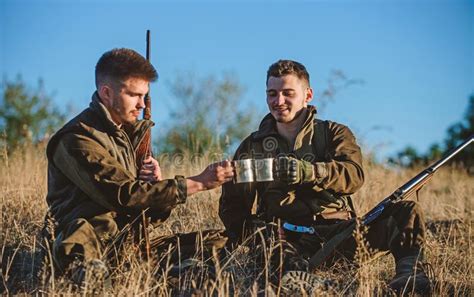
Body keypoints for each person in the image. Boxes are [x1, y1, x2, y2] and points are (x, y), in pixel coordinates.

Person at [219, 60, 431, 294]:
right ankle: (313, 286)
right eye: (272, 94)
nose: (278, 101)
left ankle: (410, 276)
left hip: (339, 234)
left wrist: (311, 172)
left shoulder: (333, 133)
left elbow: (353, 175)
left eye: (288, 93)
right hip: (284, 239)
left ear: (307, 94)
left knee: (406, 211)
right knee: (274, 252)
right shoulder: (253, 146)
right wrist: (257, 233)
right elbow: (233, 205)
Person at [44, 48, 233, 285]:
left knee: (221, 240)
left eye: (145, 96)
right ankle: (95, 277)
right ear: (106, 92)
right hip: (91, 242)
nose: (142, 104)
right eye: (134, 95)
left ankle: (171, 277)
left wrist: (153, 187)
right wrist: (197, 183)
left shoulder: (127, 136)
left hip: (130, 245)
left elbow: (145, 215)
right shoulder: (77, 139)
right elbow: (123, 196)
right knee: (78, 239)